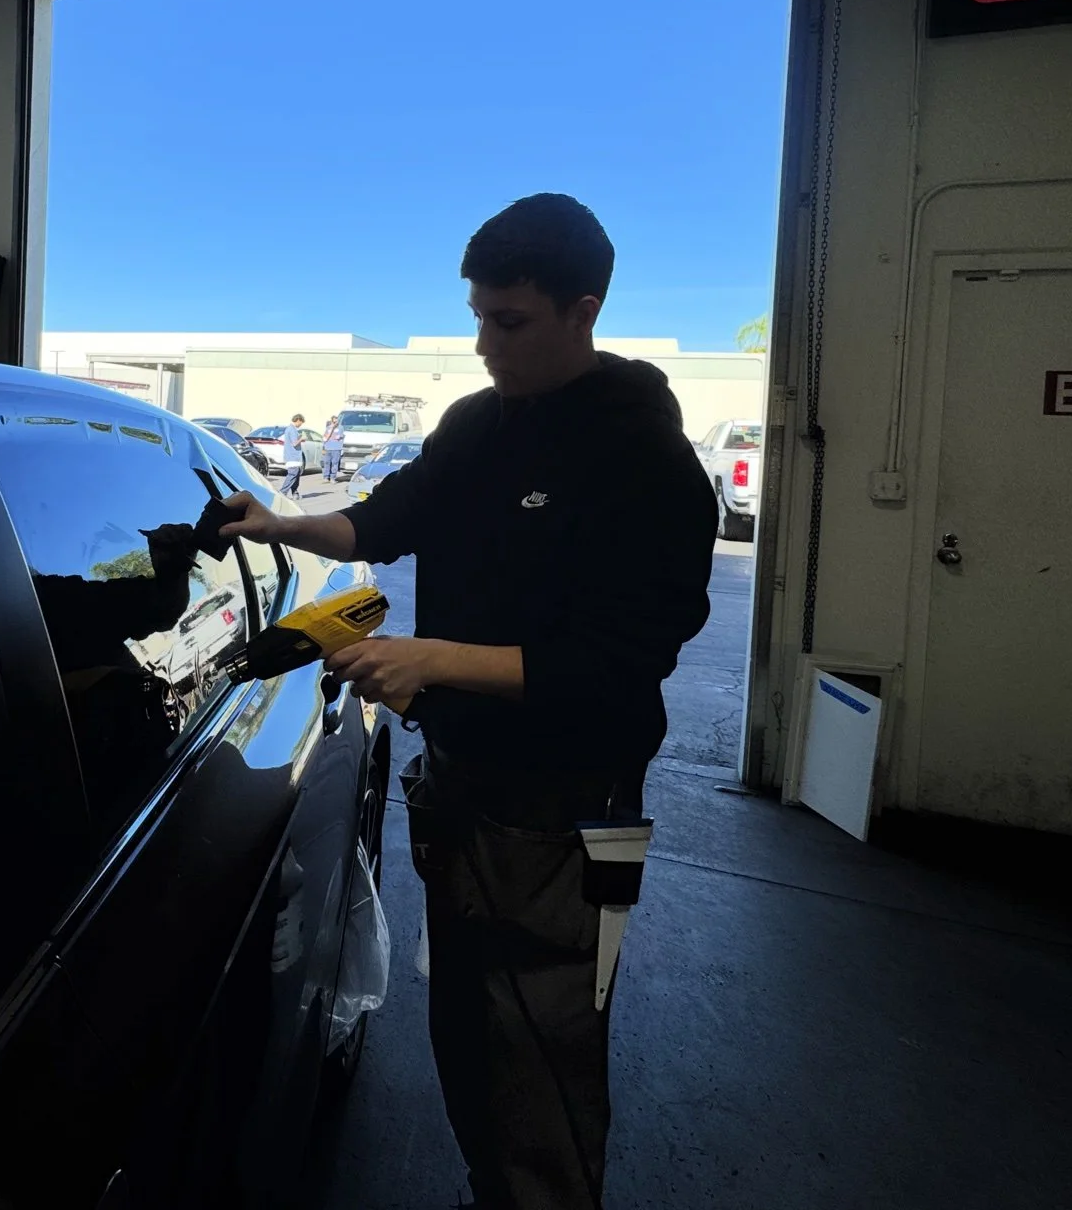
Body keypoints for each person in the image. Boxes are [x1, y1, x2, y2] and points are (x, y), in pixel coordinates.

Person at [221, 193, 716, 1210]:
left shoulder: (646, 462)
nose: (484, 343)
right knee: (470, 1030)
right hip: (460, 790)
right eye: (478, 316)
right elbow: (385, 518)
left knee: (544, 1048)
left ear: (583, 311)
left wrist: (432, 660)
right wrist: (275, 521)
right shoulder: (475, 426)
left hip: (570, 810)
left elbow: (620, 660)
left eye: (510, 322)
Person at [278, 413, 307, 498]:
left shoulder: (291, 429)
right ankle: (282, 492)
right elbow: (294, 443)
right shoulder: (292, 430)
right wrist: (301, 438)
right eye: (301, 423)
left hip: (293, 456)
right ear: (298, 420)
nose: (301, 425)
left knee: (296, 475)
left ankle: (295, 492)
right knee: (292, 474)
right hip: (293, 457)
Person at [320, 416, 345, 482]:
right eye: (334, 421)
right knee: (327, 463)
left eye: (336, 421)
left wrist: (332, 435)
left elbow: (338, 437)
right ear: (331, 421)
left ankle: (333, 477)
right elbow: (324, 438)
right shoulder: (328, 428)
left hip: (336, 448)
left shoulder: (340, 428)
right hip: (328, 448)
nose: (335, 422)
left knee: (334, 463)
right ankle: (326, 477)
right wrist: (324, 447)